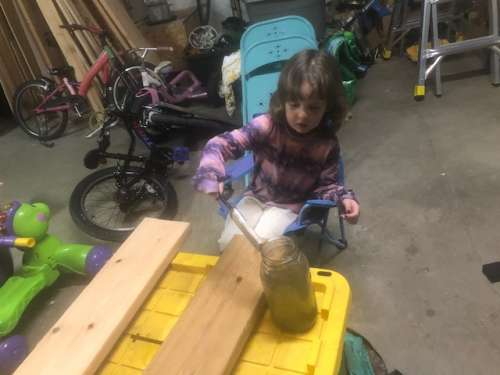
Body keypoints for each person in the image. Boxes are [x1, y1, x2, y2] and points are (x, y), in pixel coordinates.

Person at [193, 49, 360, 250]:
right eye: (294, 104)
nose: (302, 115)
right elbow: (218, 145)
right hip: (254, 198)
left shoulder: (327, 144)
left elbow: (327, 186)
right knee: (229, 244)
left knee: (265, 248)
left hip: (289, 207)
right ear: (283, 101)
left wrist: (344, 199)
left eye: (313, 107)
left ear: (328, 107)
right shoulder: (266, 126)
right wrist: (211, 171)